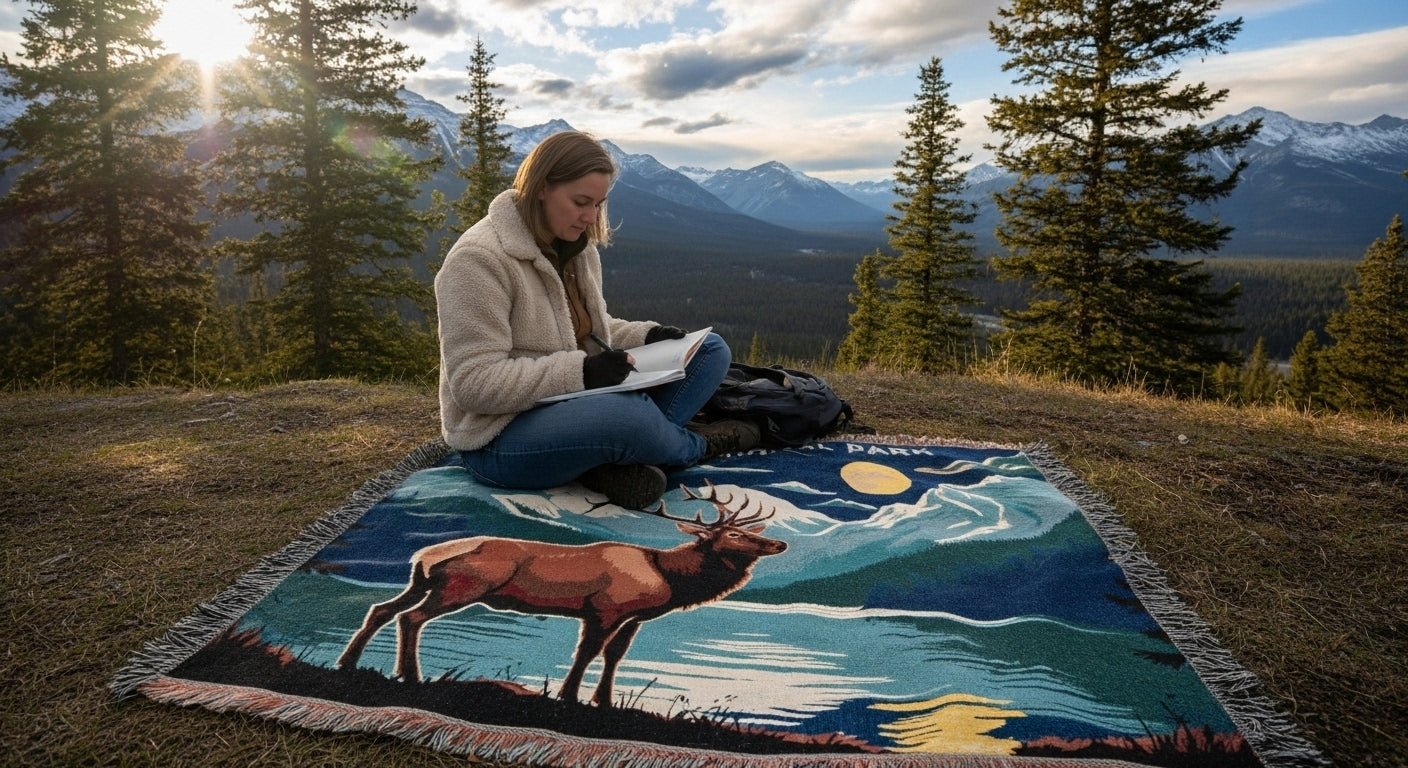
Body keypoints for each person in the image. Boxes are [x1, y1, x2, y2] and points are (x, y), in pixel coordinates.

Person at [436, 130, 760, 510]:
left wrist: (649, 335)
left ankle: (610, 459)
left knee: (709, 350)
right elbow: (473, 383)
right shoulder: (478, 260)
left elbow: (586, 329)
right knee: (627, 417)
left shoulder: (576, 247)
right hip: (499, 439)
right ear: (541, 188)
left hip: (575, 407)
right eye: (580, 202)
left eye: (598, 204)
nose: (590, 217)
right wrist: (583, 373)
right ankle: (695, 446)